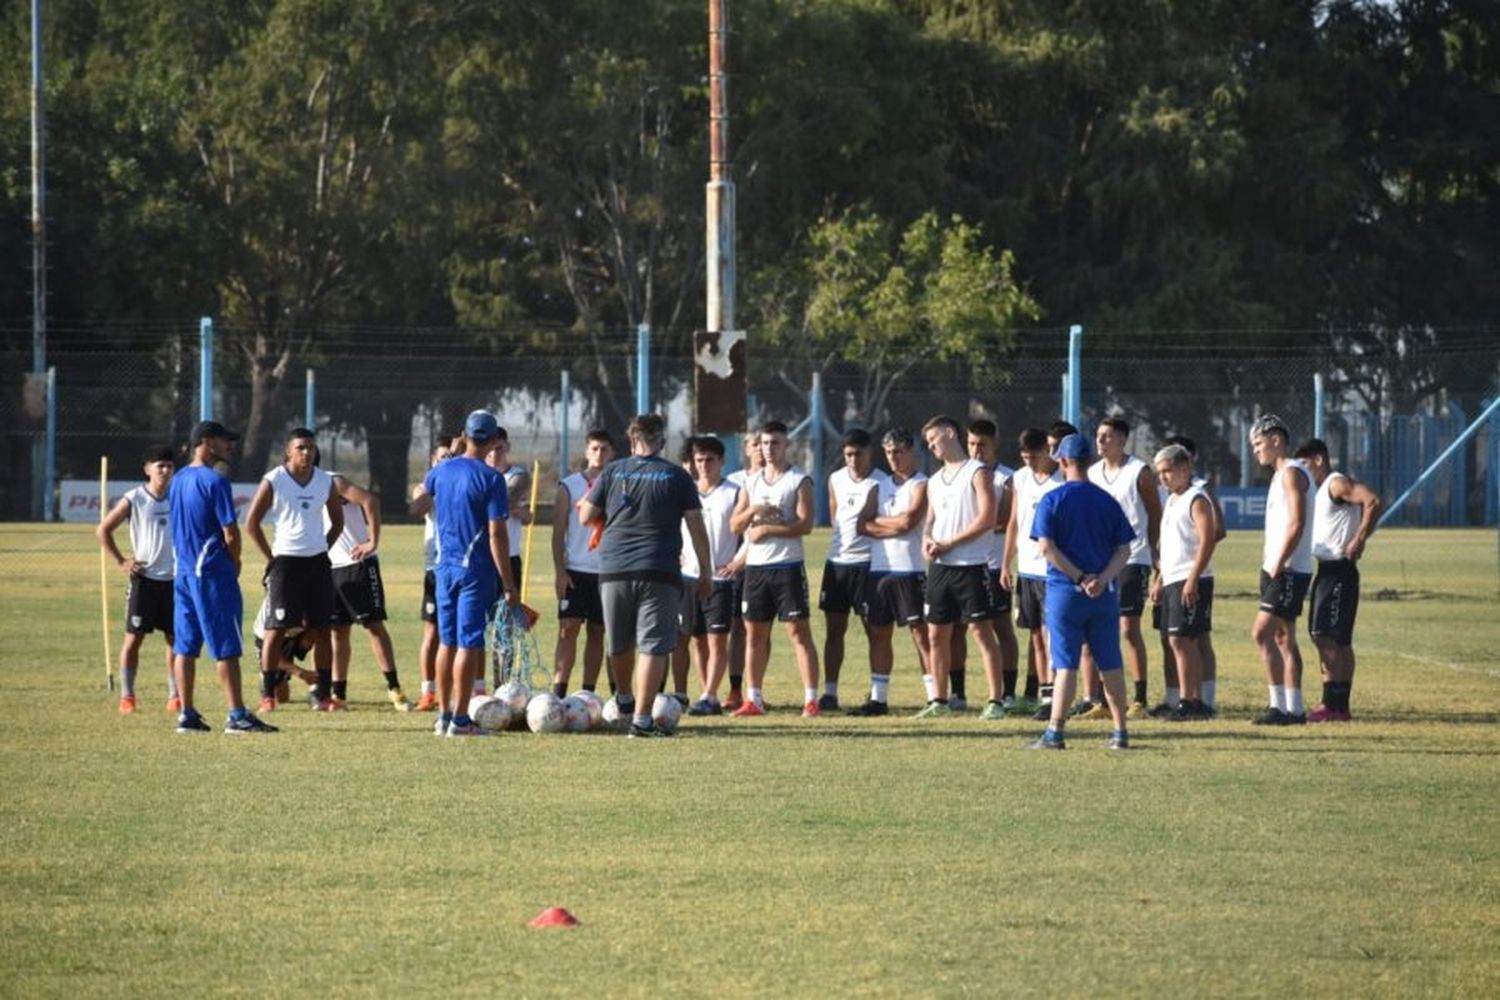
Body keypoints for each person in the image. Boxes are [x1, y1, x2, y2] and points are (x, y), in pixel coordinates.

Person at [580, 413, 711, 738]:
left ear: (631, 438)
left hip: (613, 567)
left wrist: (598, 507)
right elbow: (696, 524)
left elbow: (585, 516)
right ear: (662, 441)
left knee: (619, 641)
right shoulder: (677, 477)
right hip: (659, 569)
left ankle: (624, 697)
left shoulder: (612, 471)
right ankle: (641, 721)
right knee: (653, 645)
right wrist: (706, 570)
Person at [1028, 434, 1135, 751]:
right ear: (1090, 461)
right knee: (1110, 663)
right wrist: (1100, 579)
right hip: (1103, 594)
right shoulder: (1107, 500)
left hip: (1065, 592)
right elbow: (1124, 550)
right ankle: (1120, 732)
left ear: (1062, 462)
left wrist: (1079, 577)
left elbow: (1046, 548)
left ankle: (1055, 732)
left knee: (1065, 666)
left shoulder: (1052, 499)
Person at [168, 420, 275, 734]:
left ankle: (186, 714)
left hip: (184, 572)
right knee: (226, 645)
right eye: (225, 440)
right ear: (206, 441)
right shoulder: (215, 482)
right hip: (212, 573)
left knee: (185, 646)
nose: (231, 446)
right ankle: (237, 715)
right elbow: (231, 531)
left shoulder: (177, 480)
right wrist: (236, 561)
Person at [424, 410, 519, 736]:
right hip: (474, 571)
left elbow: (428, 491)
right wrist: (509, 584)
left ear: (463, 435)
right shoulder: (492, 479)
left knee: (445, 642)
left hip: (443, 567)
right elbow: (497, 535)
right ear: (494, 441)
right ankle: (461, 721)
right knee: (468, 644)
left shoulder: (441, 470)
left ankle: (443, 716)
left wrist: (453, 451)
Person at [244, 428, 343, 713]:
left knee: (323, 629)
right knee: (276, 628)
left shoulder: (325, 481)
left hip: (318, 563)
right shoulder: (275, 480)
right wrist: (272, 558)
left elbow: (337, 522)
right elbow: (252, 523)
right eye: (300, 447)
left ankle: (322, 696)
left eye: (311, 447)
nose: (306, 452)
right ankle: (268, 695)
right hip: (285, 563)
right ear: (288, 451)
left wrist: (321, 547)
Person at [729, 421, 822, 717]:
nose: (769, 449)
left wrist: (768, 529)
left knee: (798, 632)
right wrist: (755, 511)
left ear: (787, 445)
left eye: (776, 443)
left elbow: (806, 524)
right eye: (765, 443)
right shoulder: (752, 482)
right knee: (754, 634)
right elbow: (735, 524)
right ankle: (754, 699)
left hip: (787, 566)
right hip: (756, 569)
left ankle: (811, 699)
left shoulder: (799, 479)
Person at [917, 415, 1005, 719]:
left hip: (971, 566)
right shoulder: (933, 480)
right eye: (928, 443)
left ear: (950, 433)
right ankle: (939, 701)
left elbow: (987, 519)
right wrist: (927, 540)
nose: (931, 447)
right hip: (940, 568)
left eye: (933, 439)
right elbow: (929, 520)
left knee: (981, 631)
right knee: (935, 635)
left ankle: (995, 701)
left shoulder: (977, 472)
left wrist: (949, 543)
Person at [1295, 438, 1382, 722]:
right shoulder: (1322, 491)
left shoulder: (1335, 483)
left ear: (1318, 460)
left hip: (1338, 570)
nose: (1305, 471)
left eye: (1307, 464)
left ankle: (1331, 704)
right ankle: (1339, 706)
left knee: (1326, 635)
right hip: (1330, 571)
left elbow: (1372, 500)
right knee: (1338, 639)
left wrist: (1360, 538)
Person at [1080, 417, 1161, 720]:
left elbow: (1154, 511)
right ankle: (1101, 699)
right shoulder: (1091, 474)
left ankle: (1139, 698)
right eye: (1099, 436)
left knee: (1128, 629)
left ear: (1122, 440)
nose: (1100, 441)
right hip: (1099, 561)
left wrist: (1154, 551)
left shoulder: (1138, 472)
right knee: (1099, 629)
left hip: (1132, 557)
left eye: (1108, 436)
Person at [851, 427, 931, 715]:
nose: (893, 457)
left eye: (898, 451)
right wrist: (891, 524)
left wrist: (880, 524)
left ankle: (934, 698)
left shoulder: (922, 484)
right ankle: (878, 698)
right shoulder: (879, 486)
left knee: (920, 634)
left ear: (910, 451)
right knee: (878, 633)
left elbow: (909, 522)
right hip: (879, 571)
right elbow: (861, 524)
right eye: (888, 452)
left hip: (910, 569)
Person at [1147, 434, 1226, 717]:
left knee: (1185, 640)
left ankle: (1192, 701)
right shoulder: (1172, 500)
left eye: (1168, 471)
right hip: (1172, 578)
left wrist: (1193, 577)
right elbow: (1169, 546)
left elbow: (1208, 539)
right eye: (1160, 473)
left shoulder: (1197, 498)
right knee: (1174, 640)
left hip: (1192, 578)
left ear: (1185, 468)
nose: (1163, 478)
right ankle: (1185, 698)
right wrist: (1159, 580)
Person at [97, 445, 181, 714]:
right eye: (160, 466)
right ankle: (127, 696)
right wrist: (122, 561)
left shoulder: (179, 497)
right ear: (148, 469)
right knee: (134, 639)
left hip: (175, 580)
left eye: (169, 466)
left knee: (175, 639)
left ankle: (174, 695)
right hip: (144, 581)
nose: (165, 471)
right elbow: (103, 529)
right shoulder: (134, 498)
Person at [1249, 414, 1315, 725]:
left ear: (1277, 440)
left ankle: (1279, 706)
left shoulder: (1291, 473)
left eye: (1259, 443)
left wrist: (1278, 562)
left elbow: (1297, 522)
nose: (1255, 451)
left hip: (1286, 569)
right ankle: (1294, 709)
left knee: (1261, 633)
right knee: (1283, 638)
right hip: (1277, 567)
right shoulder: (1279, 475)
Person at [326, 471, 410, 710]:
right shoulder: (299, 488)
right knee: (337, 631)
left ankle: (395, 689)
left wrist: (372, 542)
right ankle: (338, 695)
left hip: (358, 563)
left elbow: (370, 501)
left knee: (373, 625)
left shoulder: (333, 482)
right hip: (329, 567)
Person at [819, 429, 888, 711]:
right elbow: (836, 517)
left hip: (868, 565)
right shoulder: (835, 479)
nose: (853, 459)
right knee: (834, 631)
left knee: (875, 631)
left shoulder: (881, 482)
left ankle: (876, 694)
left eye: (858, 453)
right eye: (848, 454)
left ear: (870, 452)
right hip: (837, 564)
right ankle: (830, 692)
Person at [1001, 427, 1063, 719]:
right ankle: (1045, 692)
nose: (1029, 462)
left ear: (1047, 451)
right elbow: (1014, 521)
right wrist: (1005, 563)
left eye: (1034, 456)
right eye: (1024, 456)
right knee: (1036, 635)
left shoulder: (1061, 481)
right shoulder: (1020, 478)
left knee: (1052, 635)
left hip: (1051, 570)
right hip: (1026, 569)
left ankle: (1056, 696)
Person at [961, 419, 1020, 710]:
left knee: (1001, 627)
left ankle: (1007, 693)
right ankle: (956, 694)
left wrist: (966, 528)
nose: (976, 450)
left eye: (981, 444)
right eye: (971, 443)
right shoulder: (961, 475)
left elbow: (1005, 521)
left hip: (994, 565)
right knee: (959, 628)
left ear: (995, 442)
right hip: (963, 563)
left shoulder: (1006, 479)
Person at [682, 436, 743, 715]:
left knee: (718, 638)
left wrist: (738, 561)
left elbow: (750, 532)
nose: (704, 465)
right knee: (697, 638)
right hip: (689, 576)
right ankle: (708, 694)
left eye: (709, 460)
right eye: (699, 460)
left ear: (721, 461)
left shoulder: (735, 491)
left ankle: (709, 694)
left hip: (720, 578)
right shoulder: (687, 490)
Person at [551, 429, 615, 697]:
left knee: (598, 632)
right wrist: (560, 572)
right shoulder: (569, 486)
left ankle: (588, 692)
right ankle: (559, 691)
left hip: (607, 571)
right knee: (568, 630)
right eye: (595, 448)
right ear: (587, 451)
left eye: (604, 449)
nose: (599, 453)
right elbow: (557, 533)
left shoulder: (618, 483)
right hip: (576, 570)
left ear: (612, 453)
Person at [484, 429, 532, 693]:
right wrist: (519, 512)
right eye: (489, 449)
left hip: (509, 558)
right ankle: (476, 687)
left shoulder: (517, 475)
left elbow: (504, 499)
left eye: (499, 448)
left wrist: (516, 510)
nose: (493, 454)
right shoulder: (479, 473)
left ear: (507, 447)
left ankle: (501, 686)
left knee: (505, 626)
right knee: (477, 625)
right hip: (481, 558)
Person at [408, 438, 455, 711]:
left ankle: (466, 690)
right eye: (442, 457)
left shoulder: (463, 481)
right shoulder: (425, 486)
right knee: (433, 632)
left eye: (452, 457)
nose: (447, 462)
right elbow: (417, 508)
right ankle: (428, 691)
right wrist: (437, 481)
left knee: (463, 632)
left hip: (461, 564)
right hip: (435, 568)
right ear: (432, 461)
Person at [721, 431, 763, 711]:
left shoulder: (781, 479)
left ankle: (755, 690)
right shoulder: (736, 482)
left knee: (760, 631)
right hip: (732, 565)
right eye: (755, 443)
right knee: (735, 628)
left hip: (759, 562)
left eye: (765, 442)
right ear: (746, 449)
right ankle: (735, 688)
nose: (761, 448)